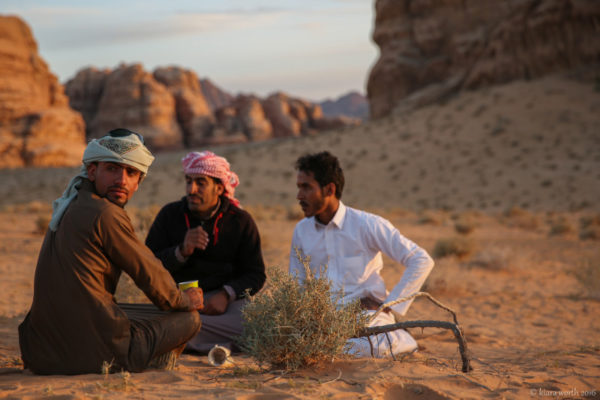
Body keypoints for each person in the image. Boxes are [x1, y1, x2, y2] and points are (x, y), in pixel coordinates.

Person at [18, 129, 204, 375]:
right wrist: (183, 300)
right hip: (94, 356)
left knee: (136, 309)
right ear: (93, 171)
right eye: (112, 169)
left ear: (139, 181)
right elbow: (148, 273)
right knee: (188, 318)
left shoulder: (72, 204)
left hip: (40, 354)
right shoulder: (105, 212)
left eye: (131, 172)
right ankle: (143, 363)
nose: (122, 180)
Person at [289, 151, 435, 357]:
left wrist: (390, 305)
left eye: (306, 187)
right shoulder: (301, 231)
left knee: (380, 346)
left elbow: (421, 260)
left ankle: (394, 338)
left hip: (367, 316)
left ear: (329, 189)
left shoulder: (367, 225)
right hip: (322, 320)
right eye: (299, 187)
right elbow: (298, 283)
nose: (299, 196)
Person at [145, 151, 266, 353]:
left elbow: (255, 274)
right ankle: (215, 342)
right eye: (188, 181)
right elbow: (148, 265)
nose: (191, 190)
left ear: (219, 188)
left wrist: (226, 294)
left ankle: (183, 339)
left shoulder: (240, 221)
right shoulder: (169, 215)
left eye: (200, 183)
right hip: (179, 302)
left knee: (255, 323)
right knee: (169, 320)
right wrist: (180, 252)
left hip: (223, 308)